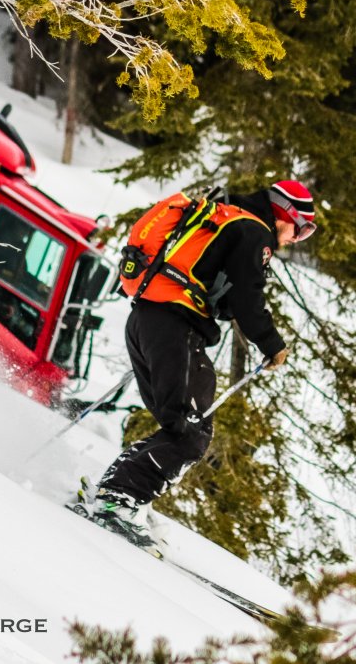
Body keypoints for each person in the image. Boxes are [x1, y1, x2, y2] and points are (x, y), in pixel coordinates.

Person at [87, 180, 317, 547]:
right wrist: (271, 344)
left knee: (180, 425)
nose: (296, 238)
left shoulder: (228, 218)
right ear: (284, 214)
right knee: (190, 433)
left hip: (148, 321)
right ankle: (118, 499)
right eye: (302, 228)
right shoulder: (254, 231)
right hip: (174, 328)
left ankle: (122, 493)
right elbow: (247, 298)